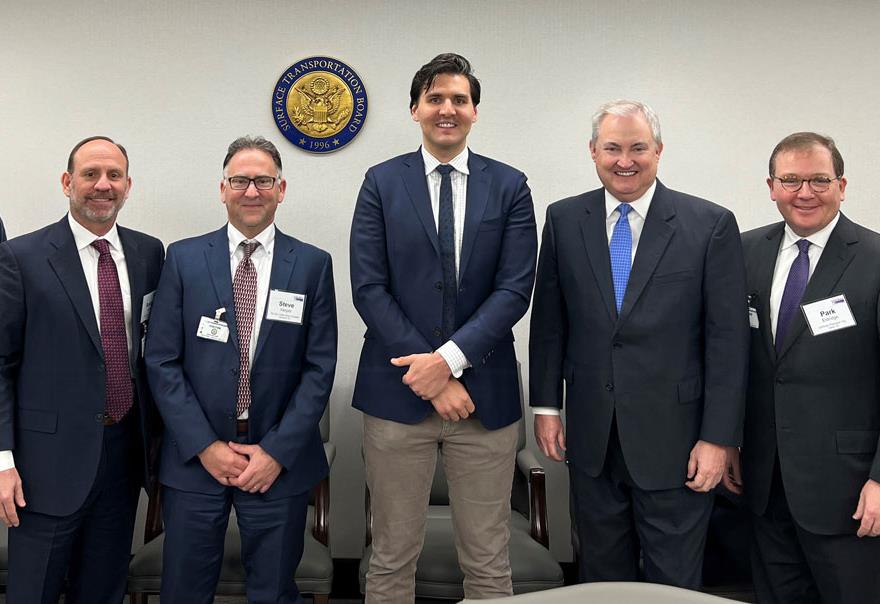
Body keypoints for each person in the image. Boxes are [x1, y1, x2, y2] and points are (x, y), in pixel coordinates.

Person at [529, 99, 748, 587]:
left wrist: (718, 438)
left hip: (679, 443)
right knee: (601, 579)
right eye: (612, 148)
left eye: (637, 148)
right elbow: (549, 322)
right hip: (591, 439)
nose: (624, 160)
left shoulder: (709, 224)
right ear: (592, 152)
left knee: (673, 583)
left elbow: (728, 343)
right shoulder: (564, 219)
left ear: (659, 150)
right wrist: (546, 406)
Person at [350, 53, 537, 601]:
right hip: (396, 395)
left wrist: (449, 363)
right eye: (435, 99)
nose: (447, 109)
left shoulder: (509, 185)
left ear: (475, 111)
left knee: (487, 563)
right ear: (415, 110)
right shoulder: (381, 182)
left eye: (459, 99)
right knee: (390, 560)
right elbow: (369, 287)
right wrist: (430, 373)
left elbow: (514, 290)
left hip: (485, 399)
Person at [730, 132, 880, 603]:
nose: (805, 193)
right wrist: (732, 440)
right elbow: (738, 361)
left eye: (819, 180)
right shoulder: (743, 254)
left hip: (850, 491)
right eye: (791, 180)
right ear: (771, 186)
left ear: (842, 185)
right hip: (766, 485)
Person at [145, 136, 337, 604]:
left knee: (273, 591)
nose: (252, 191)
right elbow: (162, 360)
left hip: (277, 461)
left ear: (282, 188)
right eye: (240, 180)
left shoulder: (312, 264)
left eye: (263, 180)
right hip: (196, 459)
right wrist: (205, 447)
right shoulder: (184, 258)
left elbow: (319, 368)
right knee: (184, 591)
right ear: (223, 187)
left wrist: (275, 451)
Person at [0, 136, 164, 603]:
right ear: (67, 182)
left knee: (103, 590)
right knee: (34, 592)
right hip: (43, 466)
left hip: (123, 457)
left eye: (114, 175)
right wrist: (3, 460)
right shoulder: (21, 257)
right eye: (90, 174)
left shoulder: (150, 254)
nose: (102, 185)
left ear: (128, 186)